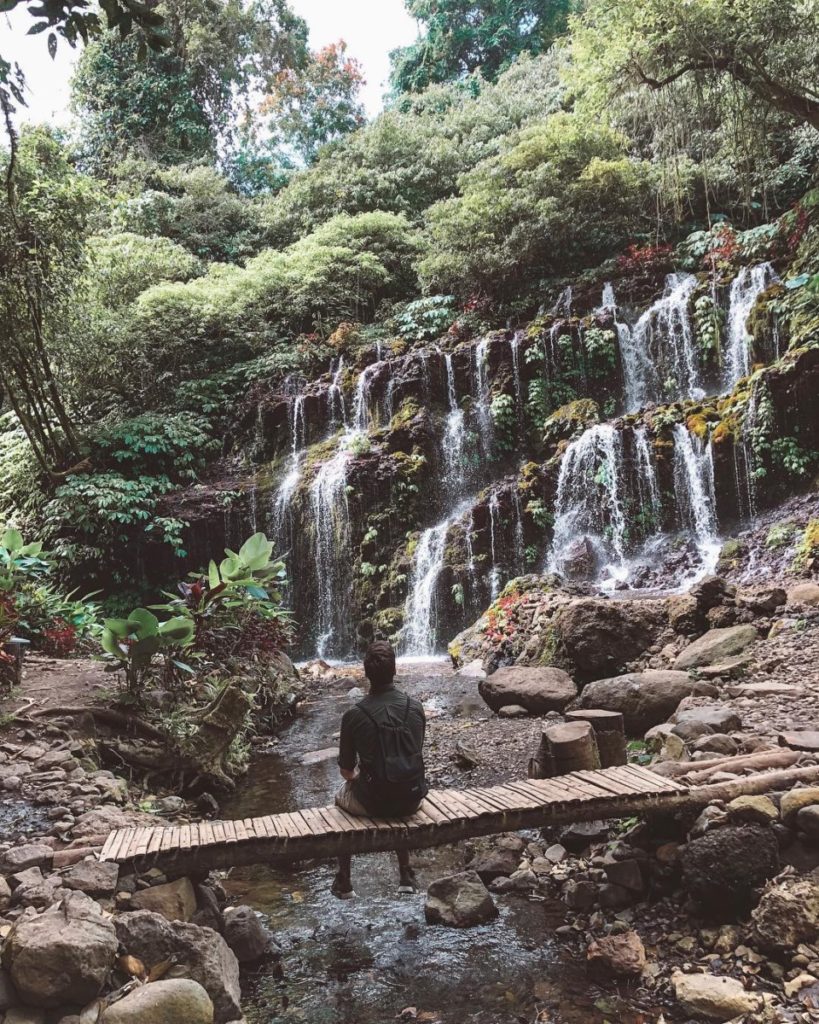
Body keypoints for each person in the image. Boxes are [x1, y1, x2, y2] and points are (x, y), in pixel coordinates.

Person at [332, 640, 428, 898]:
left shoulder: (354, 715)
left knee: (341, 796)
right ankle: (405, 875)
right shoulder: (415, 708)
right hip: (412, 798)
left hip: (373, 803)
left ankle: (344, 882)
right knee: (397, 786)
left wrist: (361, 776)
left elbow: (346, 772)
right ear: (395, 670)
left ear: (365, 674)